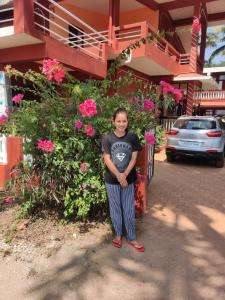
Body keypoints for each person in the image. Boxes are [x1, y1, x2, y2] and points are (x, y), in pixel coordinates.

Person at [101, 108, 145, 252]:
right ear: (113, 121)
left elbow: (134, 158)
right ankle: (118, 235)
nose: (121, 124)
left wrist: (124, 175)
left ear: (128, 121)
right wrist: (119, 176)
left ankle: (131, 237)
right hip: (112, 180)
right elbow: (107, 159)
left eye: (124, 121)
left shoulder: (132, 137)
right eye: (118, 121)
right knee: (115, 209)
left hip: (128, 179)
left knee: (128, 208)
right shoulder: (107, 138)